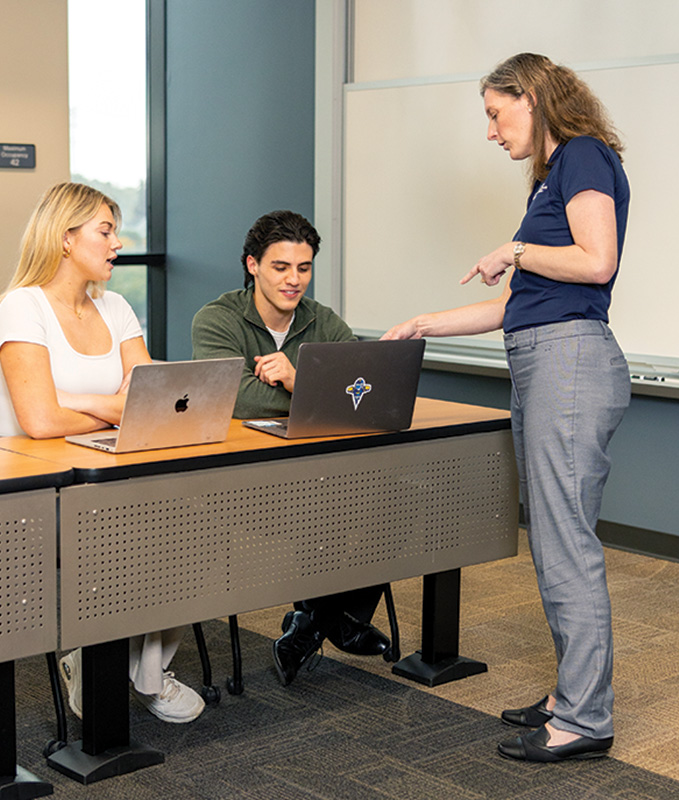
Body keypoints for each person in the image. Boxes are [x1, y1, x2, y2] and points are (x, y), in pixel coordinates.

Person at [383, 53, 631, 762]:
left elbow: (596, 261)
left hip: (570, 365)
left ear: (532, 96)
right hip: (548, 358)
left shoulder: (583, 155)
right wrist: (426, 321)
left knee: (566, 547)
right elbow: (515, 310)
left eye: (497, 113)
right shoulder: (558, 176)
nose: (492, 132)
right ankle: (570, 696)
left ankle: (584, 718)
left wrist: (518, 247)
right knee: (555, 542)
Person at [0, 182, 204, 724]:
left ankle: (132, 669)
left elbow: (154, 402)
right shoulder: (23, 307)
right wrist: (113, 405)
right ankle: (101, 662)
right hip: (35, 491)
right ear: (65, 238)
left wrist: (77, 401)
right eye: (105, 231)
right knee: (138, 537)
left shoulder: (115, 307)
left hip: (109, 473)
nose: (117, 244)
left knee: (197, 525)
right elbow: (39, 422)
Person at [191, 209, 391, 685]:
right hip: (247, 478)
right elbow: (234, 397)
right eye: (280, 267)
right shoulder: (217, 320)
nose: (293, 280)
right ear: (253, 265)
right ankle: (335, 618)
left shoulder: (322, 320)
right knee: (336, 504)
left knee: (392, 496)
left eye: (303, 268)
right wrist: (318, 394)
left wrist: (296, 379)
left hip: (320, 472)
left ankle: (314, 620)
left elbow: (365, 392)